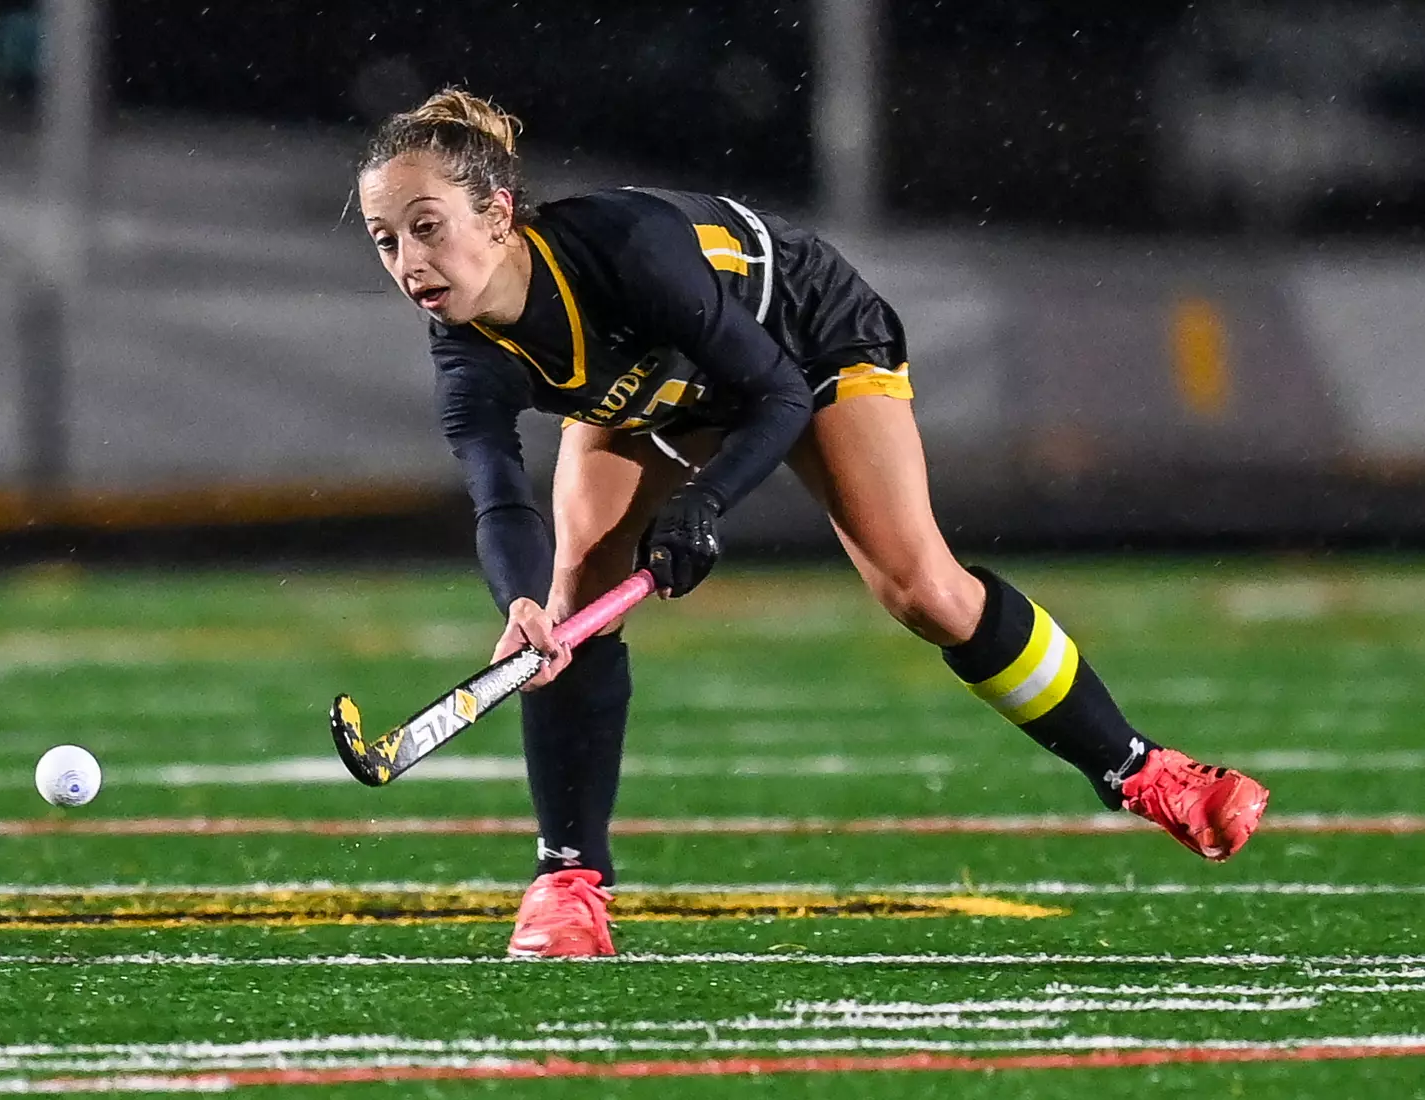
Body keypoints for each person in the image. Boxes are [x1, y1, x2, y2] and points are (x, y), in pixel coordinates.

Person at [355, 88, 1271, 959]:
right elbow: (498, 495)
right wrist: (519, 604)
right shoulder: (467, 355)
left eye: (427, 227)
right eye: (385, 239)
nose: (409, 264)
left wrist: (701, 506)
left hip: (799, 341)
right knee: (567, 612)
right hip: (659, 387)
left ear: (500, 213)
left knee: (921, 590)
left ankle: (1143, 770)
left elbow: (775, 393)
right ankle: (567, 882)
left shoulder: (627, 249)